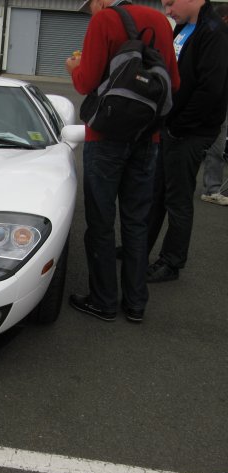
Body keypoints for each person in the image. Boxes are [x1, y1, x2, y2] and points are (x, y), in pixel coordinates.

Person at [65, 0, 179, 322]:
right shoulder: (161, 20)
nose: (91, 12)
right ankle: (135, 303)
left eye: (89, 7)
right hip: (147, 138)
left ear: (100, 1)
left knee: (101, 221)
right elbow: (176, 84)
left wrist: (75, 68)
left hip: (105, 139)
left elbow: (86, 83)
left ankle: (103, 301)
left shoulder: (104, 21)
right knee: (136, 221)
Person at [146, 0, 228, 282]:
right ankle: (139, 248)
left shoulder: (214, 33)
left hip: (190, 131)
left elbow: (211, 90)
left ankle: (171, 262)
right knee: (156, 192)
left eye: (170, 3)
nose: (167, 10)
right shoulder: (182, 27)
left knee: (177, 199)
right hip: (171, 126)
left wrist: (179, 126)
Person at [199, 3, 228, 206]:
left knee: (217, 146)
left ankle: (212, 189)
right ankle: (212, 189)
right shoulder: (214, 37)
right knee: (214, 145)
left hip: (218, 101)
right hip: (212, 102)